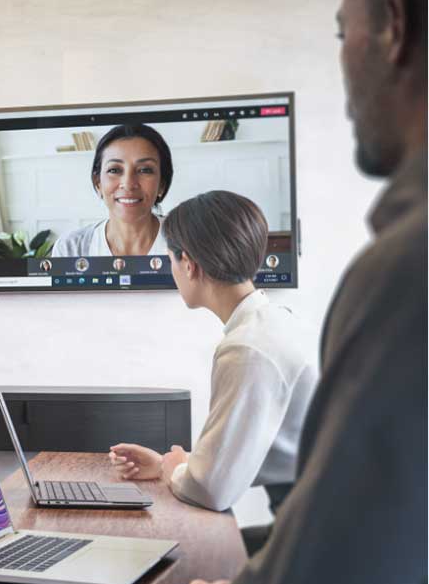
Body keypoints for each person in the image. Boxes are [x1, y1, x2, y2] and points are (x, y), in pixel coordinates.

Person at [167, 0, 426, 584]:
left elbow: (222, 493)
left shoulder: (402, 273)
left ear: (393, 28)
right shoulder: (269, 321)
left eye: (342, 31)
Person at [108, 191, 316, 525]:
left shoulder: (247, 349)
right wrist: (169, 464)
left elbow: (211, 491)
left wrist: (175, 470)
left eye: (170, 260)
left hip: (319, 534)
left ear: (188, 264)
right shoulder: (275, 322)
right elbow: (245, 451)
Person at [51, 124, 173, 258]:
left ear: (162, 183)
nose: (128, 184)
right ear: (98, 183)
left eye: (144, 170)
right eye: (114, 170)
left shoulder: (190, 242)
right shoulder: (71, 248)